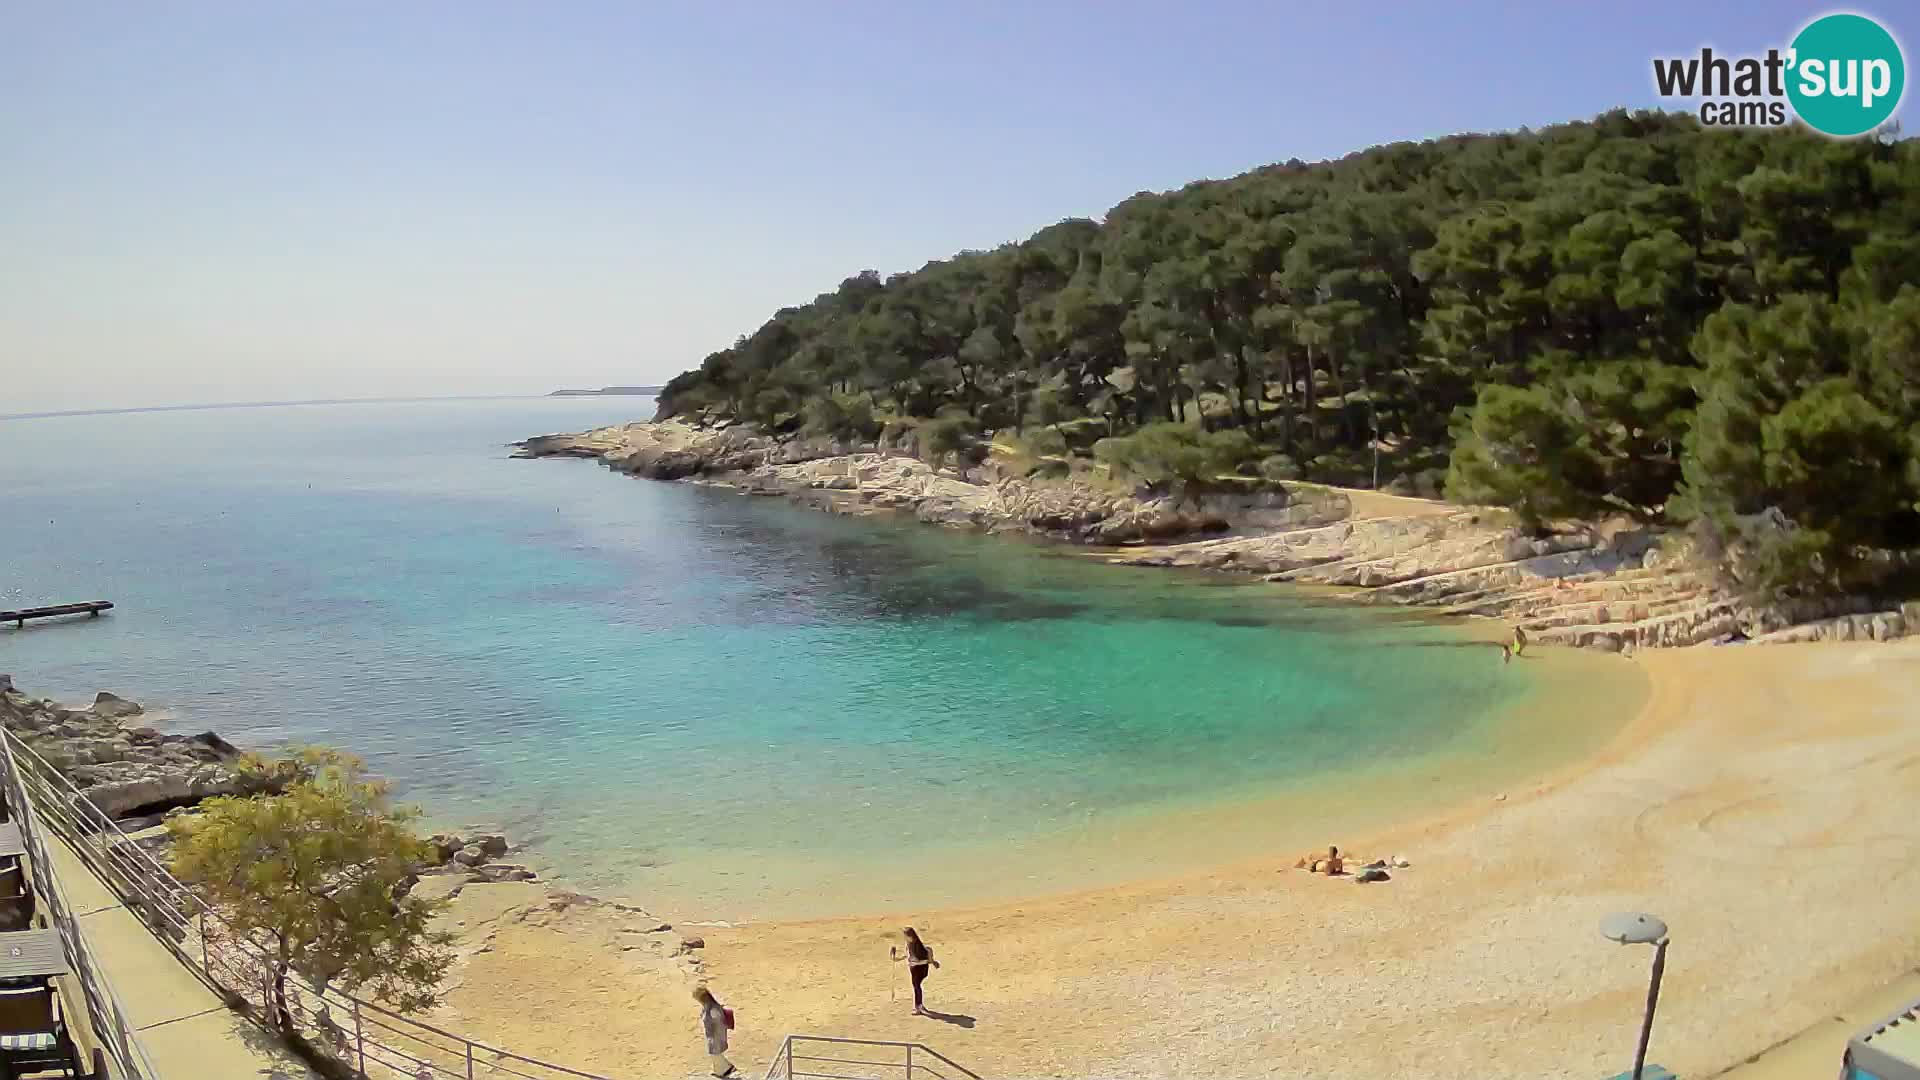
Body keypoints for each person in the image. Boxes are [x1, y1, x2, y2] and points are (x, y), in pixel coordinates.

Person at [891, 927, 941, 1015]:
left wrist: (932, 962)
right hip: (920, 969)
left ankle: (919, 1007)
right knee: (917, 986)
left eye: (905, 936)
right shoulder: (911, 945)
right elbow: (906, 956)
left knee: (916, 986)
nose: (904, 938)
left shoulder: (916, 946)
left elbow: (915, 957)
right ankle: (919, 1006)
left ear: (910, 936)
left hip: (917, 969)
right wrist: (894, 957)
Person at [693, 985, 735, 1077]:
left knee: (714, 1052)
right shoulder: (708, 1006)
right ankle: (721, 1070)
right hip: (712, 1034)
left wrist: (714, 1035)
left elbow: (717, 1022)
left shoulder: (713, 1009)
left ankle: (727, 1068)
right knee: (714, 1053)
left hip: (715, 1034)